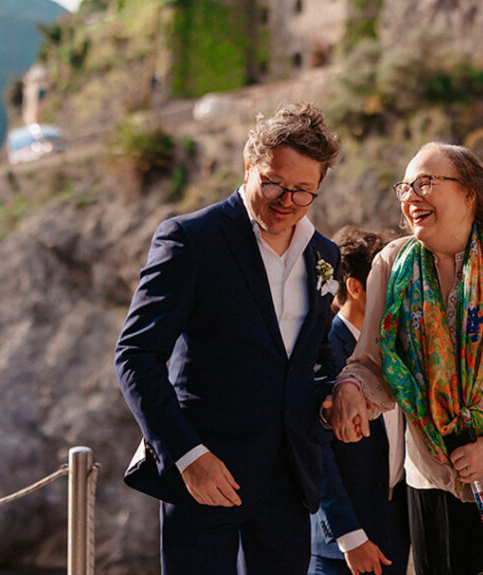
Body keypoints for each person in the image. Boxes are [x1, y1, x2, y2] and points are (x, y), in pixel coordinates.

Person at [326, 142, 483, 575]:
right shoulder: (390, 264)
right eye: (405, 187)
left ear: (469, 193)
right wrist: (351, 387)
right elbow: (372, 364)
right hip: (432, 486)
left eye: (425, 183)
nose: (410, 196)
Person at [114, 102, 342, 575]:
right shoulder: (189, 238)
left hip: (288, 485)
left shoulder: (325, 254)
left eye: (303, 191)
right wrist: (187, 456)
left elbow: (314, 353)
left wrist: (337, 393)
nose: (287, 200)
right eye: (274, 183)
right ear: (248, 166)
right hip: (204, 477)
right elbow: (136, 355)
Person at [309, 227, 411, 575]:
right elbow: (316, 453)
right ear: (355, 287)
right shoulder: (322, 351)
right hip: (342, 549)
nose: (398, 292)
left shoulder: (399, 350)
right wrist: (350, 536)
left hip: (396, 533)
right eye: (387, 282)